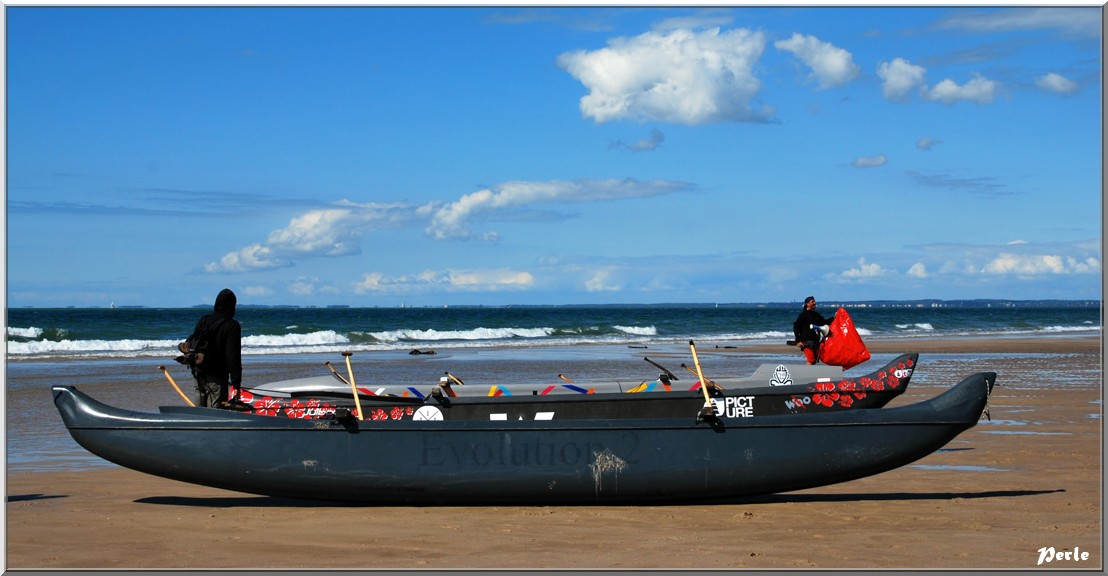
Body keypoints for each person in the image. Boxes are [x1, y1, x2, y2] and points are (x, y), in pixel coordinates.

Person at [186, 288, 243, 408]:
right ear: (232, 306)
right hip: (217, 377)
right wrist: (236, 384)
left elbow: (192, 341)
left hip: (198, 373)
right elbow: (233, 357)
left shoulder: (204, 319)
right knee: (215, 415)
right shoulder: (232, 326)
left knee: (199, 413)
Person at [793, 296, 832, 365]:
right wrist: (798, 341)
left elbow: (824, 322)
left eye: (814, 301)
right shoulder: (803, 315)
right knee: (810, 360)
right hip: (806, 342)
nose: (815, 303)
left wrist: (834, 318)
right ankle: (804, 375)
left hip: (815, 342)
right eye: (812, 302)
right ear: (807, 304)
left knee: (814, 361)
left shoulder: (816, 315)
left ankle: (809, 375)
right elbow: (796, 327)